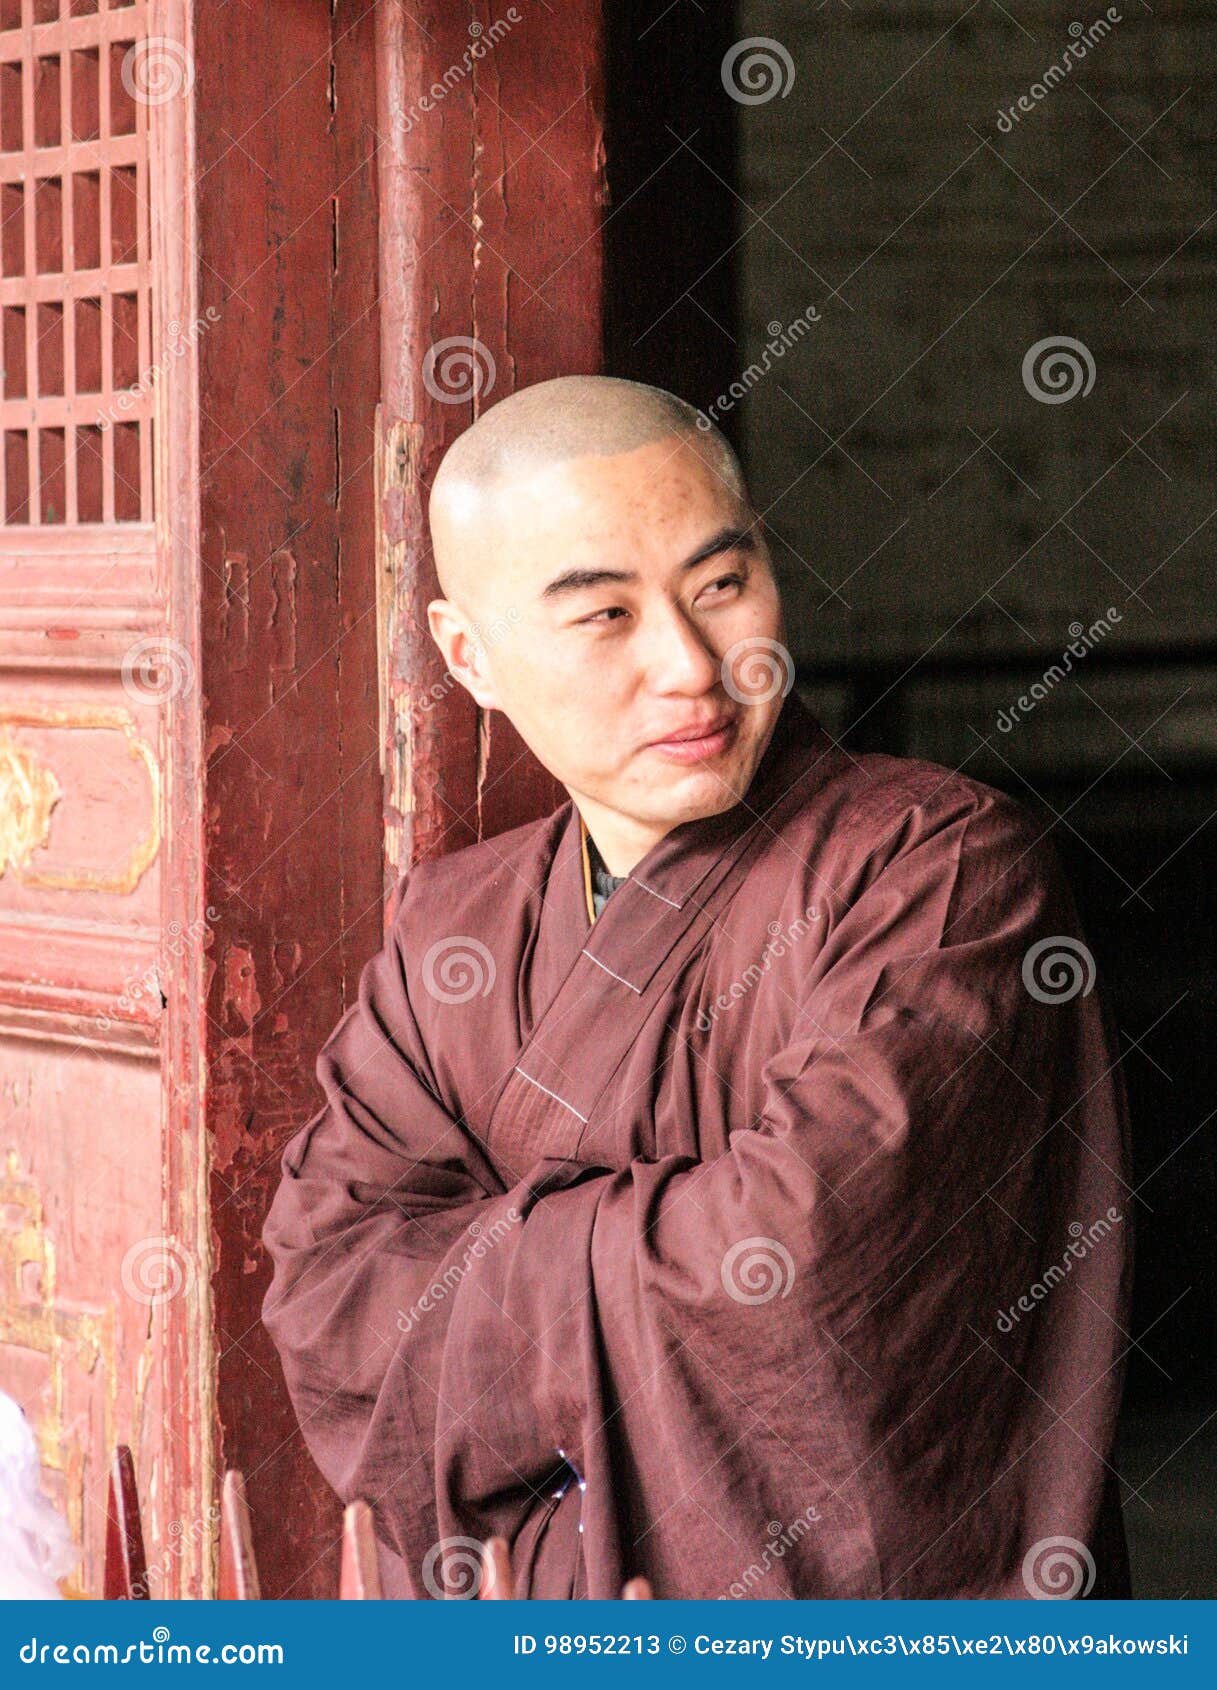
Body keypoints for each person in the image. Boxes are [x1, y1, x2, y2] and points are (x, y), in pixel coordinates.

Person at [261, 376, 1132, 1601]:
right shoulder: (448, 928)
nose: (689, 664)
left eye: (720, 586)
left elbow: (794, 1256)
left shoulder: (933, 865)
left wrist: (479, 1271)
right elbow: (327, 1297)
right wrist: (644, 1250)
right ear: (470, 655)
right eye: (602, 615)